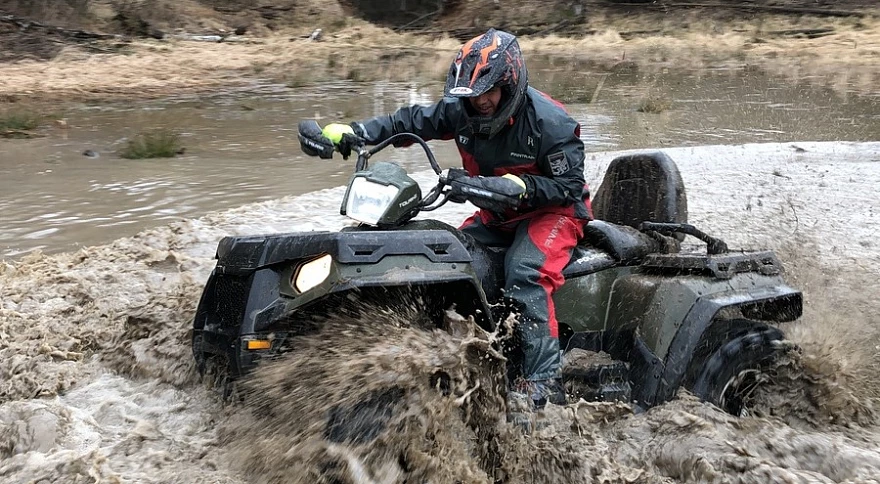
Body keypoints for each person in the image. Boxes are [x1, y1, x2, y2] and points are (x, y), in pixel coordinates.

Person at [318, 28, 592, 408]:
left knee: (525, 270)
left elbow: (568, 187)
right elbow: (410, 122)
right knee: (452, 261)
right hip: (497, 216)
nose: (480, 102)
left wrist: (517, 187)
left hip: (553, 214)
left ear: (510, 85)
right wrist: (356, 132)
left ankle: (543, 381)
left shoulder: (552, 124)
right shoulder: (460, 110)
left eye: (488, 93)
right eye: (472, 95)